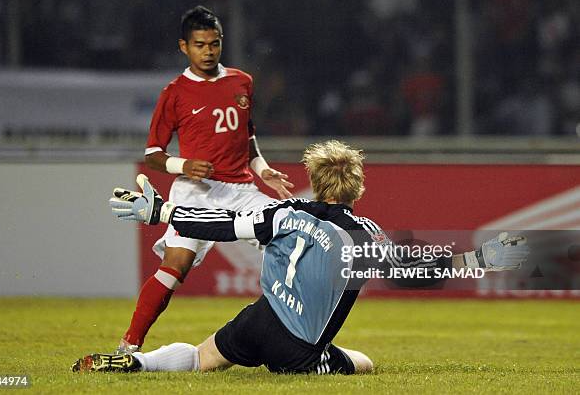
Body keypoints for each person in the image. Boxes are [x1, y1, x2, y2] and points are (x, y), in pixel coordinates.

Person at [72, 140, 529, 375]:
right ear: (358, 188)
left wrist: (162, 211)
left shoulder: (281, 212)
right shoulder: (362, 235)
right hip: (298, 350)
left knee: (200, 357)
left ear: (313, 179)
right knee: (364, 363)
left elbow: (222, 224)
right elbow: (413, 270)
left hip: (257, 321)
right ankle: (321, 358)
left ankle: (139, 363)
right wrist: (478, 259)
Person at [117, 6, 294, 354]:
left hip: (241, 189)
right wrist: (183, 165)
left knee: (290, 238)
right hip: (195, 191)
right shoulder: (175, 92)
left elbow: (247, 137)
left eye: (214, 44)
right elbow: (153, 153)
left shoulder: (241, 81)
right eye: (200, 44)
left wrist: (263, 170)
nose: (209, 51)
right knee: (175, 265)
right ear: (184, 46)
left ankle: (297, 336)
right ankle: (129, 346)